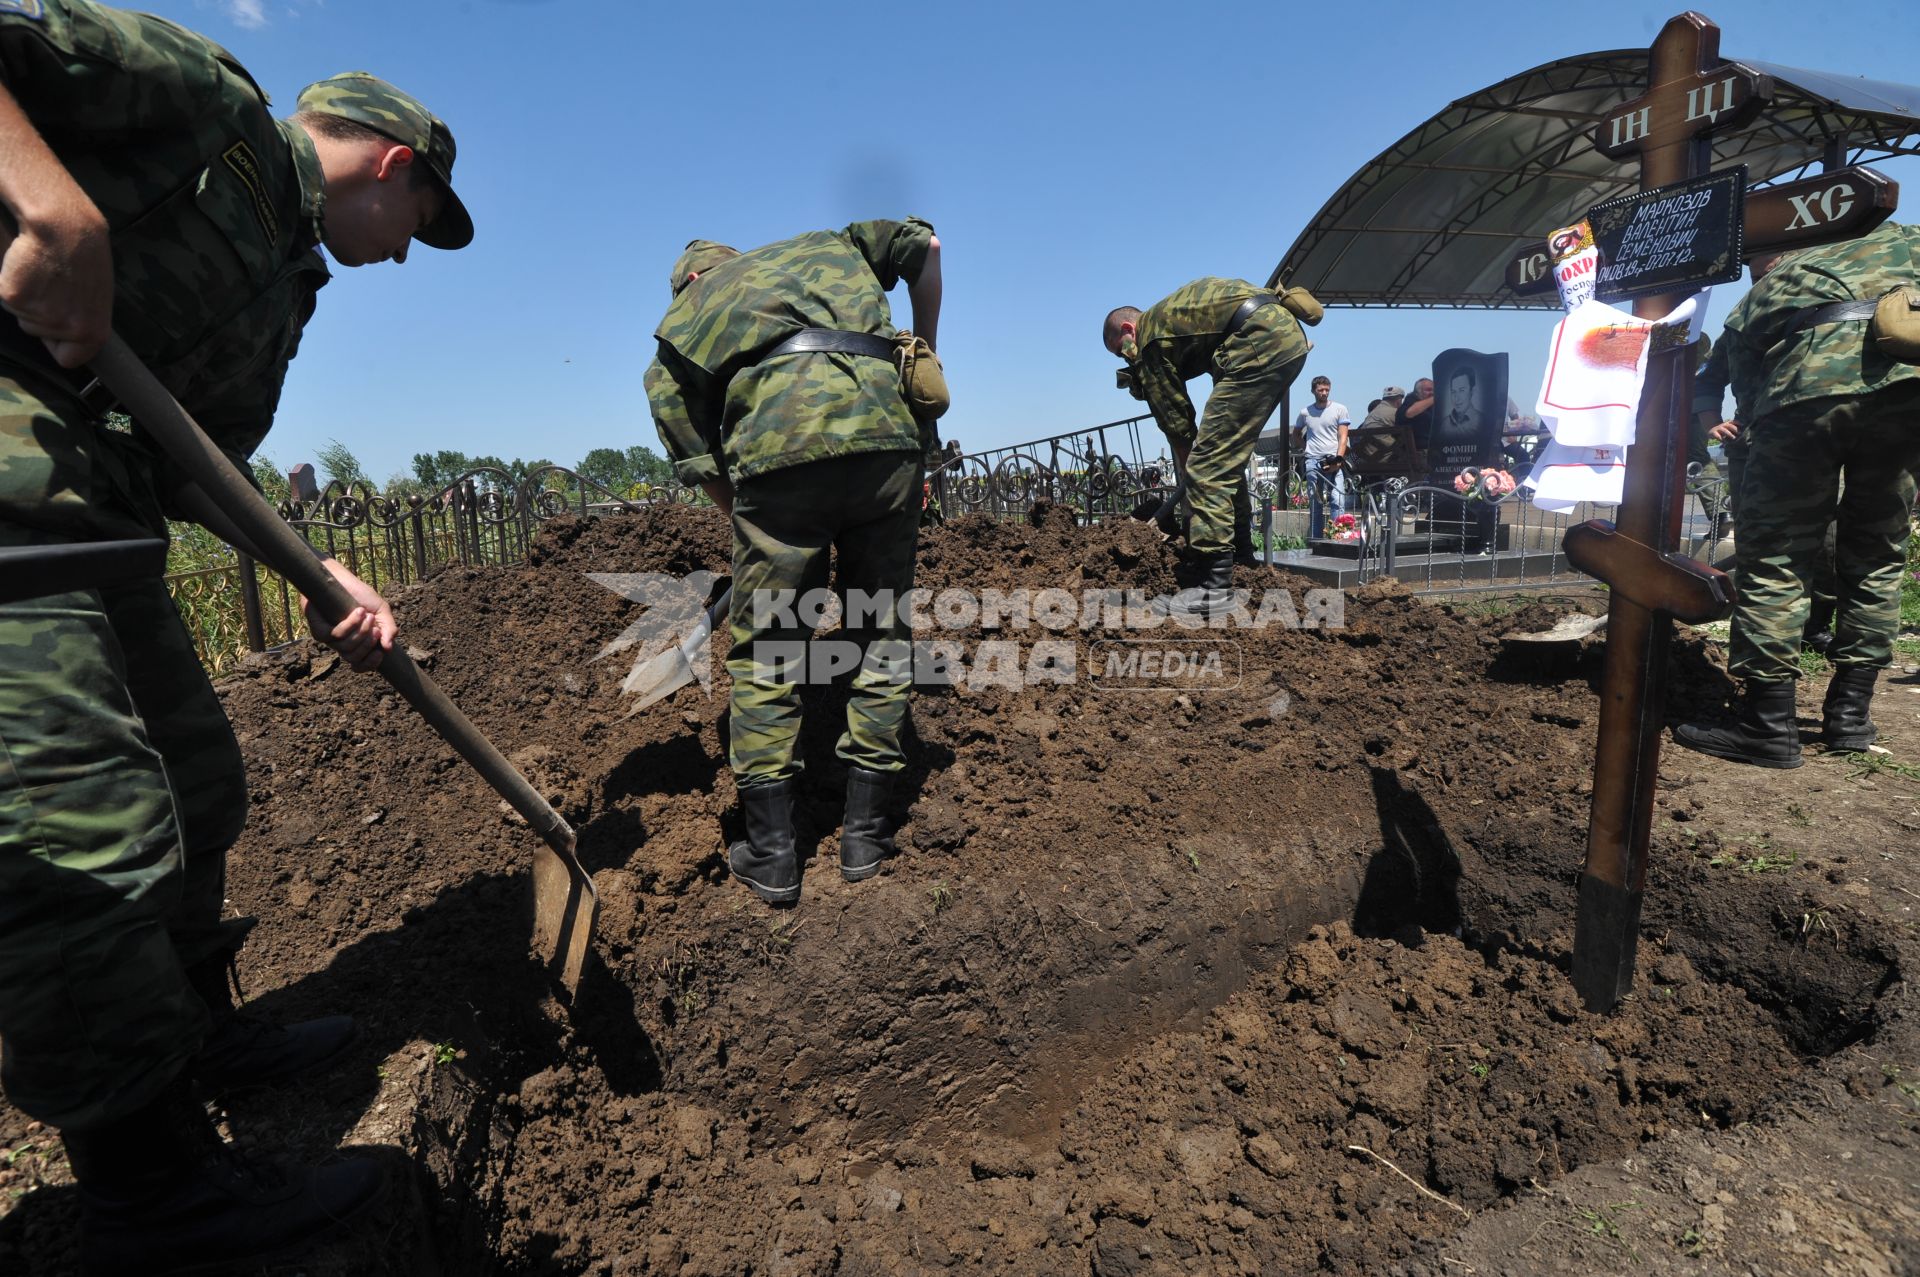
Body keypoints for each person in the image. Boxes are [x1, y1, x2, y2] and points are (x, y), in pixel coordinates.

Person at [0, 2, 473, 1267]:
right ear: (394, 167)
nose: (407, 254)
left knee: (199, 784)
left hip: (94, 511)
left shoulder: (286, 282)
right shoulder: (202, 105)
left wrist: (315, 567)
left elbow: (197, 459)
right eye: (420, 227)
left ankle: (200, 1039)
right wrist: (51, 205)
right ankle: (151, 1200)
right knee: (78, 827)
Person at [646, 218, 942, 907]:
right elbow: (927, 246)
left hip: (777, 464)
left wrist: (753, 528)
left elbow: (699, 458)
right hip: (888, 443)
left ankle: (774, 854)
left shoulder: (683, 318)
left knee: (770, 651)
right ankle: (866, 835)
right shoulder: (829, 244)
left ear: (687, 280)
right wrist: (928, 344)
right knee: (879, 630)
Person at [1674, 221, 1920, 768]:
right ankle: (1850, 719)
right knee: (1878, 555)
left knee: (1776, 556)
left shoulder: (1775, 287)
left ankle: (1767, 726)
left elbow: (1748, 387)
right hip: (1909, 391)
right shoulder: (1907, 241)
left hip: (1803, 402)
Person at [1104, 279, 1312, 610]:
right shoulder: (1170, 314)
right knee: (1225, 462)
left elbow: (1177, 426)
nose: (1126, 358)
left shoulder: (1147, 340)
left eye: (1120, 350)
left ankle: (1215, 587)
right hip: (1280, 336)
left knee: (1207, 464)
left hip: (1258, 344)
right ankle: (1242, 557)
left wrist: (1194, 485)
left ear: (1129, 328)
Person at [1289, 374, 1349, 538]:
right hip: (1313, 461)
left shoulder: (1339, 409)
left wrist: (1339, 458)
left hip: (1333, 458)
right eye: (1320, 389)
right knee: (1316, 502)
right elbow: (1295, 434)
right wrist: (1306, 447)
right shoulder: (1305, 412)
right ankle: (1316, 539)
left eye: (1327, 390)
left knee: (1338, 499)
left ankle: (1338, 536)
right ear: (1313, 391)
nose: (1324, 392)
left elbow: (1343, 437)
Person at [1396, 376, 1436, 457]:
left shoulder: (1431, 406)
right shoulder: (1410, 401)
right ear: (1417, 392)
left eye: (1434, 390)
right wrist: (1437, 397)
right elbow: (1409, 413)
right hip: (1418, 454)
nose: (1432, 392)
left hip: (1432, 450)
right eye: (1428, 390)